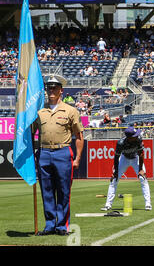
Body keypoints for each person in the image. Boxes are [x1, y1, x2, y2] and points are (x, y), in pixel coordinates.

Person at [32, 74, 84, 236]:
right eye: (49, 87)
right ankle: (49, 225)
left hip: (63, 152)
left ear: (61, 90)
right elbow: (31, 133)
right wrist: (34, 154)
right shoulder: (39, 111)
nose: (51, 90)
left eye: (55, 87)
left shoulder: (70, 110)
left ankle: (61, 225)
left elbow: (79, 136)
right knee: (46, 190)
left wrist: (77, 158)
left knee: (63, 190)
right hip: (44, 153)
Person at [101, 127, 152, 211]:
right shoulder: (120, 143)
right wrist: (116, 172)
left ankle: (148, 204)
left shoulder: (138, 139)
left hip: (136, 158)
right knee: (114, 180)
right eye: (134, 135)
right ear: (129, 138)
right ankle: (108, 205)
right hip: (124, 158)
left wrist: (141, 170)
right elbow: (116, 157)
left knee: (143, 179)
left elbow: (141, 154)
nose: (137, 136)